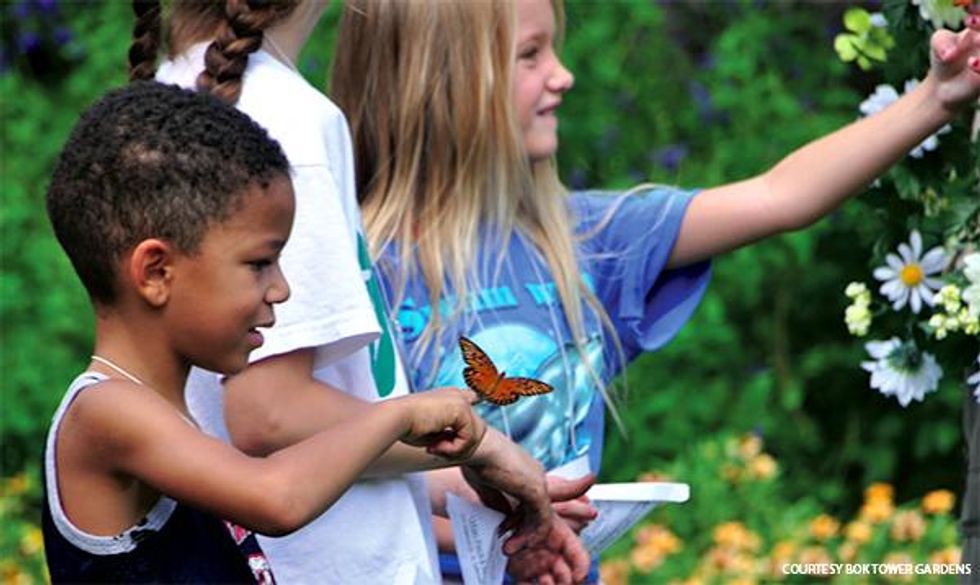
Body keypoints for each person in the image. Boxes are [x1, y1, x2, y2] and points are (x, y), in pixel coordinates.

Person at [330, 0, 980, 581]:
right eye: (530, 54)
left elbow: (780, 196)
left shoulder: (584, 241)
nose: (563, 74)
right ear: (440, 81)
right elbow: (323, 456)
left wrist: (937, 98)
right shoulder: (352, 264)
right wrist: (495, 515)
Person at [134, 1, 592, 583]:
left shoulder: (163, 94)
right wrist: (483, 446)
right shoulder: (289, 122)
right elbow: (268, 413)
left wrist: (459, 482)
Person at [41, 80, 495, 584]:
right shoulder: (107, 412)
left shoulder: (171, 423)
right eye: (259, 263)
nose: (280, 289)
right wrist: (400, 414)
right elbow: (277, 499)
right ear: (155, 272)